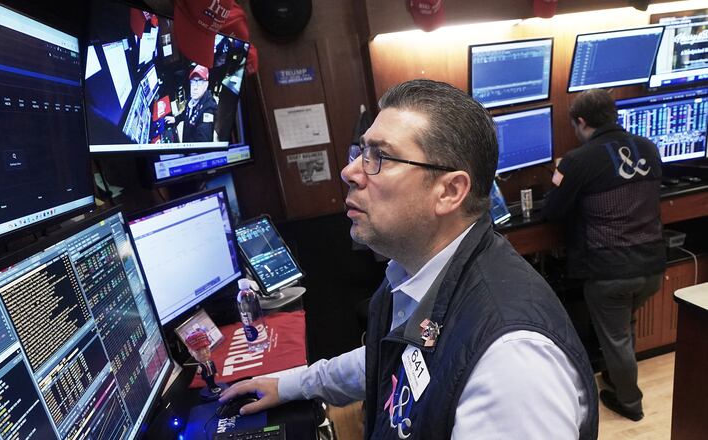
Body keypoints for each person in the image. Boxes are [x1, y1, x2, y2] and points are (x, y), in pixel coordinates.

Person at [220, 79, 598, 439]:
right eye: (361, 152)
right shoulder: (412, 273)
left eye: (379, 157)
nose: (349, 172)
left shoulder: (514, 366)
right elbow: (389, 358)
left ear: (449, 191)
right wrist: (292, 385)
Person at [542, 88, 665, 422]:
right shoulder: (649, 148)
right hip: (653, 267)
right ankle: (616, 373)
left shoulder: (578, 161)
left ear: (580, 122)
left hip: (610, 271)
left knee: (617, 337)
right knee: (623, 326)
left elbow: (553, 211)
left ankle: (630, 403)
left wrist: (560, 176)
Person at [166, 65, 218, 142]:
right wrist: (176, 119)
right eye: (193, 82)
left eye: (199, 82)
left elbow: (203, 142)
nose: (195, 87)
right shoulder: (193, 96)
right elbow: (186, 113)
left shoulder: (208, 109)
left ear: (206, 85)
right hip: (186, 141)